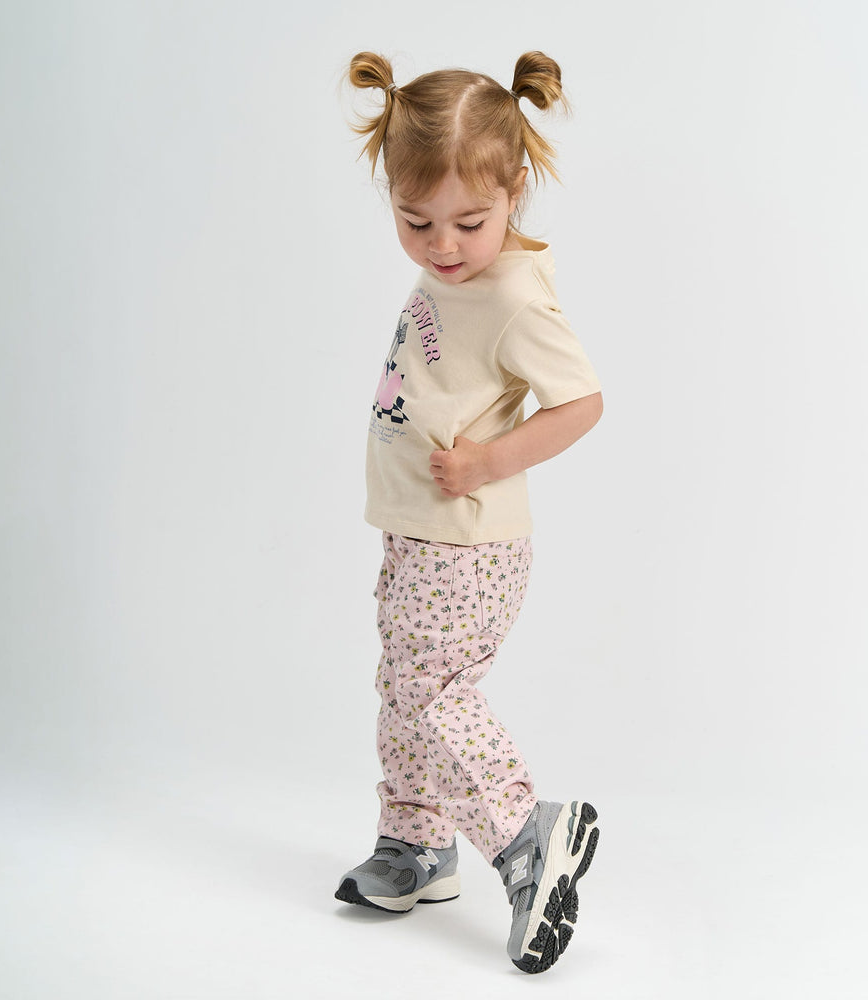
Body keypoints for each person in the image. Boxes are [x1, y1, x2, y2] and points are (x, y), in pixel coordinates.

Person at [335, 50, 603, 975]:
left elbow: (581, 404)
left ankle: (527, 832)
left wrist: (489, 460)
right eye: (416, 221)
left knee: (433, 691)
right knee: (403, 686)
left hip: (468, 544)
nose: (442, 244)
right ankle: (416, 843)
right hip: (417, 532)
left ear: (515, 189)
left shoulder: (516, 295)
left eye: (468, 222)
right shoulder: (453, 273)